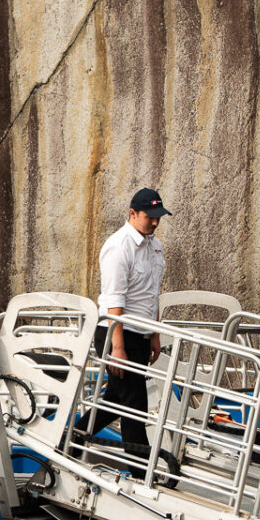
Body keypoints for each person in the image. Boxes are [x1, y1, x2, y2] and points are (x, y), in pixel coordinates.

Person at [92, 188, 170, 460]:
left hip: (140, 334)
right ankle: (141, 471)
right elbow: (115, 299)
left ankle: (71, 437)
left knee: (118, 398)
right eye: (150, 216)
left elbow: (152, 294)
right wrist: (118, 348)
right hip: (115, 333)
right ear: (133, 214)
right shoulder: (119, 246)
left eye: (159, 216)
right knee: (135, 404)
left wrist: (155, 335)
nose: (155, 222)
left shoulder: (154, 245)